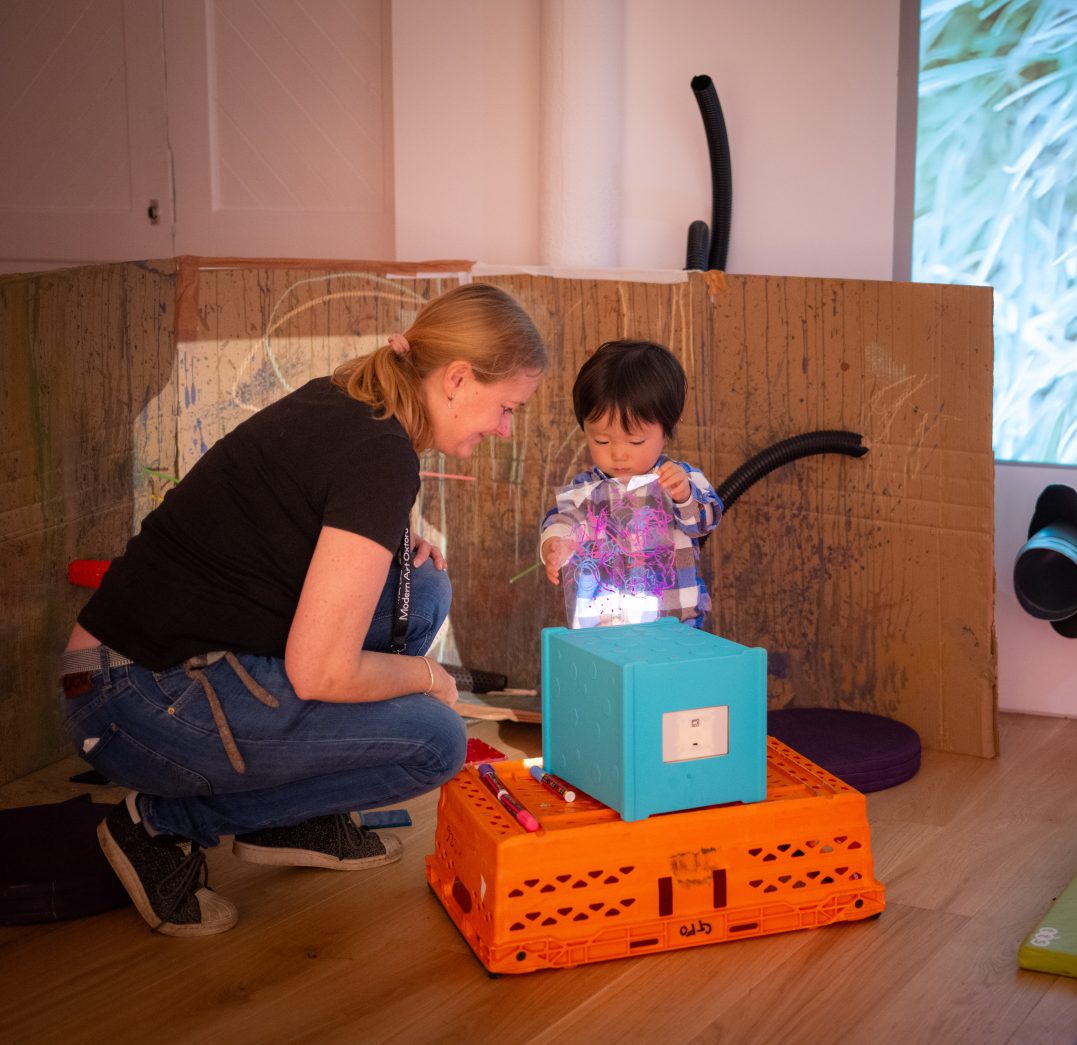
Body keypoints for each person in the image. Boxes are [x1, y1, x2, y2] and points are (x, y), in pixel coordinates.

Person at [58, 282, 547, 936]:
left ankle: (295, 812)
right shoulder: (380, 455)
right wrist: (435, 678)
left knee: (421, 591)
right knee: (436, 742)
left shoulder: (353, 405)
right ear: (457, 378)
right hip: (129, 703)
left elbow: (296, 535)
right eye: (508, 407)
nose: (505, 428)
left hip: (126, 670)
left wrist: (398, 541)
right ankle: (158, 825)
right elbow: (320, 670)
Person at [539, 339, 722, 627]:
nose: (618, 453)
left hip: (677, 624)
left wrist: (684, 495)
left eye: (635, 440)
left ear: (666, 430)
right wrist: (555, 542)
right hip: (607, 627)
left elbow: (705, 522)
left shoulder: (679, 478)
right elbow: (560, 519)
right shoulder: (588, 490)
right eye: (601, 440)